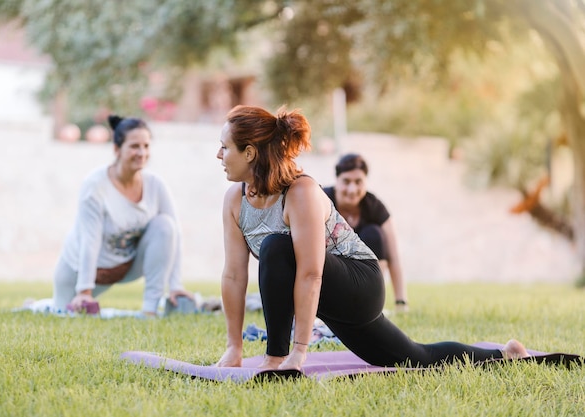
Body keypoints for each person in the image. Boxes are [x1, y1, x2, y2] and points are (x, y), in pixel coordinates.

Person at [214, 104, 528, 370]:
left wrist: (297, 353)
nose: (219, 154)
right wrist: (234, 347)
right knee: (411, 357)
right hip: (324, 291)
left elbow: (310, 273)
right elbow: (233, 275)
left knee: (275, 247)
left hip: (359, 280)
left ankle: (275, 355)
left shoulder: (301, 193)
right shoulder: (235, 199)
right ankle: (504, 355)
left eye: (225, 147)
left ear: (251, 152)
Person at [53, 114, 192, 315]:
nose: (142, 152)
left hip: (125, 267)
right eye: (135, 146)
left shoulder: (155, 185)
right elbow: (89, 241)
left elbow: (174, 235)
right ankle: (35, 305)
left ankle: (150, 310)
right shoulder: (94, 186)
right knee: (61, 313)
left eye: (146, 146)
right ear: (116, 149)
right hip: (80, 272)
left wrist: (176, 285)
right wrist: (84, 291)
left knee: (165, 225)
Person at [323, 153, 408, 311]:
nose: (352, 189)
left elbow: (393, 256)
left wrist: (400, 301)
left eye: (358, 182)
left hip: (363, 280)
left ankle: (371, 303)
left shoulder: (374, 206)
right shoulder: (322, 200)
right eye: (346, 181)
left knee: (374, 233)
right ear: (337, 181)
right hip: (329, 273)